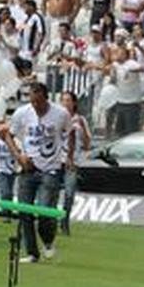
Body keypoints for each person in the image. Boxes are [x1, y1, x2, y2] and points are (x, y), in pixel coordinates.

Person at [1, 82, 71, 264]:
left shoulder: (61, 114)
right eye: (33, 103)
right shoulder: (22, 113)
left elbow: (70, 133)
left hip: (51, 167)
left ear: (46, 98)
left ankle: (48, 241)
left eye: (39, 103)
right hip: (28, 168)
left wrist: (67, 156)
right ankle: (32, 253)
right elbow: (8, 135)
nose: (36, 106)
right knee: (25, 212)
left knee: (45, 210)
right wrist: (18, 156)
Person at [59, 90, 91, 235]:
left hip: (73, 162)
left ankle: (64, 221)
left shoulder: (81, 120)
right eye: (63, 100)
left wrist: (81, 128)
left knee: (69, 193)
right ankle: (50, 220)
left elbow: (87, 144)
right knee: (52, 193)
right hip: (57, 160)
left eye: (68, 100)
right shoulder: (57, 118)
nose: (65, 103)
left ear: (74, 103)